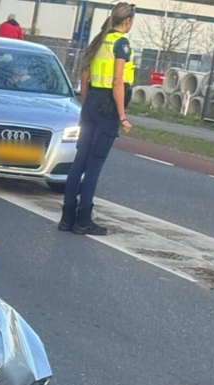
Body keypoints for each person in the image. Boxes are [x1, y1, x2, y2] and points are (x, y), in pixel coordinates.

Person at [59, 2, 136, 236]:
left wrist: (84, 108)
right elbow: (117, 82)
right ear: (128, 21)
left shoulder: (98, 41)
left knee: (79, 163)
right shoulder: (121, 44)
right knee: (94, 165)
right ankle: (83, 220)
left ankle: (66, 217)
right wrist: (122, 116)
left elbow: (84, 77)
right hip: (107, 108)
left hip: (92, 102)